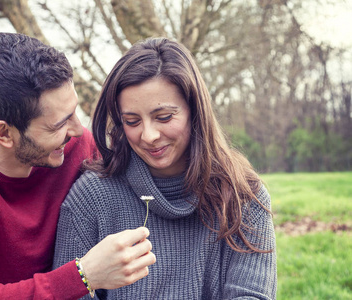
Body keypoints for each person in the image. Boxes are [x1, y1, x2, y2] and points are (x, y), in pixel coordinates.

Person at [0, 32, 155, 300]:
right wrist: (83, 276)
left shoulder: (80, 150)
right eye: (58, 124)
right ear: (4, 133)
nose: (77, 130)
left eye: (74, 112)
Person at [52, 37, 277, 299]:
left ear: (195, 111)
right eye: (132, 121)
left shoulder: (244, 196)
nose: (148, 136)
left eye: (164, 117)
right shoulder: (90, 197)